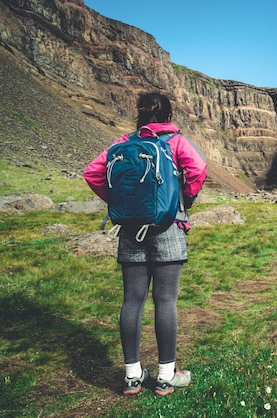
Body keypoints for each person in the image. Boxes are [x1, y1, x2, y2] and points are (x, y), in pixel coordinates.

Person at [84, 92, 207, 396]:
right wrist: (183, 199)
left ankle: (132, 376)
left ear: (139, 115)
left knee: (132, 301)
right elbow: (198, 170)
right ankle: (166, 376)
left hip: (129, 229)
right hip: (168, 227)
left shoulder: (122, 144)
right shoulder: (176, 142)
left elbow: (93, 172)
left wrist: (120, 204)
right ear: (168, 115)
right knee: (165, 301)